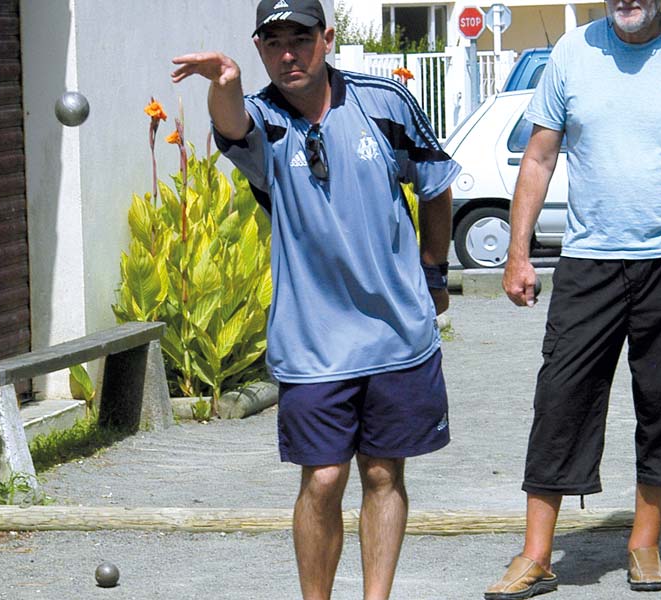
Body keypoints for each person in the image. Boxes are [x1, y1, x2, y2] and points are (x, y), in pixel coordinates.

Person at [171, 1, 460, 598]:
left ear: (326, 39)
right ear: (258, 49)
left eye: (299, 39)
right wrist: (223, 82)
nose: (286, 54)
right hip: (312, 341)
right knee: (324, 479)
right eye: (271, 42)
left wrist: (434, 272)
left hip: (396, 333)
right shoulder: (262, 119)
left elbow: (436, 183)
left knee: (382, 473)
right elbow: (232, 129)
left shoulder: (385, 103)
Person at [486, 0, 661, 597]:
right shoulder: (573, 53)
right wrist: (517, 254)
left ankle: (644, 545)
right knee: (561, 398)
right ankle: (537, 554)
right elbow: (540, 155)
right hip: (588, 259)